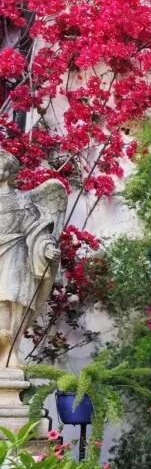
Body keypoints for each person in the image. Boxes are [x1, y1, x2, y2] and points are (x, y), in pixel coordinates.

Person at [0, 150, 68, 367]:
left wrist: (47, 248)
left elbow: (37, 231)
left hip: (14, 255)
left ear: (10, 172)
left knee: (12, 300)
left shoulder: (22, 200)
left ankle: (10, 352)